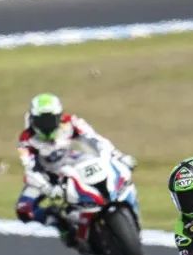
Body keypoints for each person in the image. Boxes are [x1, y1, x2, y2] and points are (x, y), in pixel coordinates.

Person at [15, 93, 136, 243]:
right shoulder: (26, 140)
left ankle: (119, 201)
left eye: (50, 119)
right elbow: (30, 168)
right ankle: (60, 223)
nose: (46, 125)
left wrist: (117, 155)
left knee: (111, 171)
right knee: (23, 209)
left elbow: (95, 139)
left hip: (74, 162)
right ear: (33, 119)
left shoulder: (71, 122)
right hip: (46, 175)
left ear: (59, 116)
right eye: (42, 121)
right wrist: (47, 188)